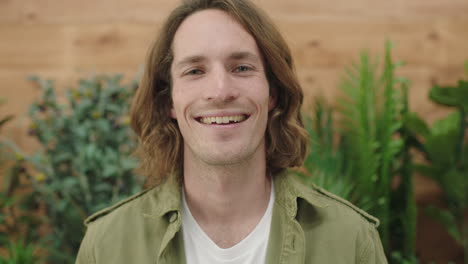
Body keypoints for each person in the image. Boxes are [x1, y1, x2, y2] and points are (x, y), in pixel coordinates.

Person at [76, 0, 388, 263]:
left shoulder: (350, 239)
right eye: (195, 71)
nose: (221, 91)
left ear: (272, 93)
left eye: (241, 67)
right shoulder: (106, 246)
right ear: (168, 100)